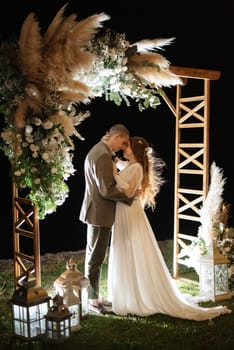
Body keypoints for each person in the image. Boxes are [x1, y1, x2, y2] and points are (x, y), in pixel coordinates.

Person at [107, 136, 232, 321]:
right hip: (126, 211)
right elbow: (123, 172)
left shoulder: (137, 167)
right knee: (126, 248)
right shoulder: (131, 165)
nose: (124, 148)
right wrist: (115, 163)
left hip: (129, 211)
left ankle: (133, 295)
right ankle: (127, 293)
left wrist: (114, 174)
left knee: (131, 248)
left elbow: (127, 190)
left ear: (135, 150)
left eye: (127, 145)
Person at [79, 123, 134, 313]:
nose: (122, 147)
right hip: (100, 213)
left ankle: (93, 295)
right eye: (123, 142)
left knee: (93, 256)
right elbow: (106, 190)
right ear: (117, 136)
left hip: (95, 210)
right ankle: (93, 300)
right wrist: (129, 197)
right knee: (96, 258)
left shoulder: (99, 149)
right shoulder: (102, 155)